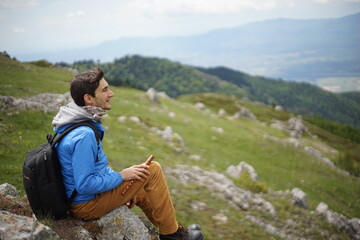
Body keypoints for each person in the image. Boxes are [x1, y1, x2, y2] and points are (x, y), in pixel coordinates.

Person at [52, 68, 204, 240]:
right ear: (88, 98)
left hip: (84, 199)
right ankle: (172, 235)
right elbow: (85, 184)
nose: (111, 93)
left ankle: (172, 228)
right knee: (152, 170)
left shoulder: (76, 122)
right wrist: (121, 176)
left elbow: (93, 169)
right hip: (85, 205)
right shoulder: (84, 135)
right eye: (105, 90)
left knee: (139, 179)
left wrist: (122, 185)